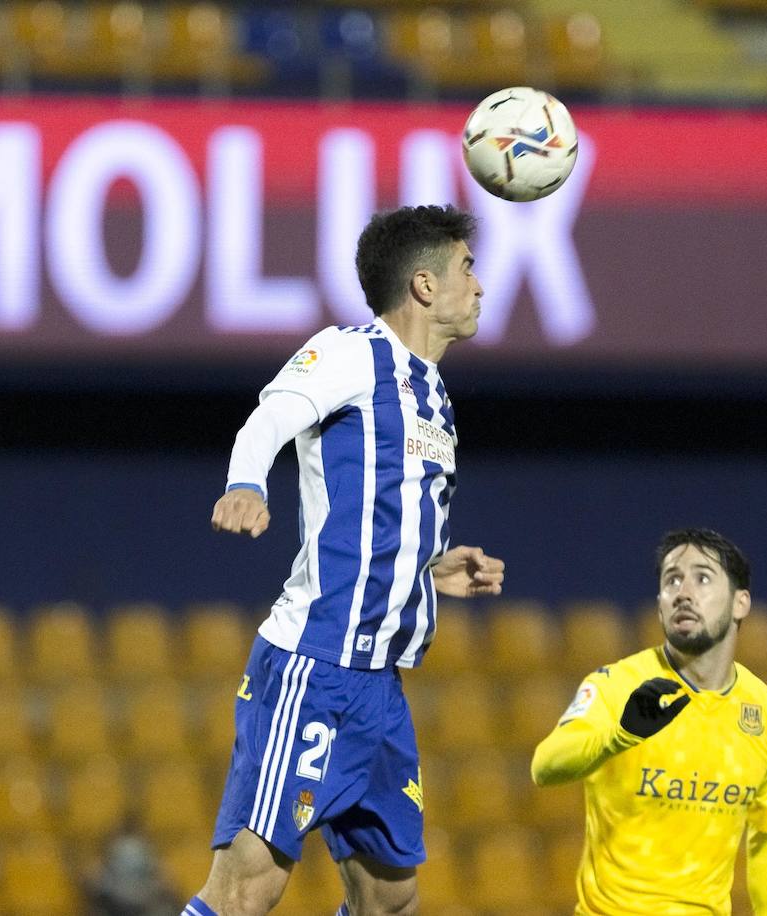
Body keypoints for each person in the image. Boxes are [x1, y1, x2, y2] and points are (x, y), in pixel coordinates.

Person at [187, 204, 506, 916]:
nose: (480, 286)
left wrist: (429, 566)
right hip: (316, 665)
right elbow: (270, 415)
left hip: (379, 690)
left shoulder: (433, 394)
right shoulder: (352, 352)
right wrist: (245, 482)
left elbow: (373, 513)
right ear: (424, 286)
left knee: (390, 896)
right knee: (247, 887)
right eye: (467, 268)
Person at [531, 528, 767, 915]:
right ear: (659, 603)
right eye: (672, 579)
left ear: (741, 604)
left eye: (702, 578)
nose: (683, 592)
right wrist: (620, 736)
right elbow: (545, 766)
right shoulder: (617, 686)